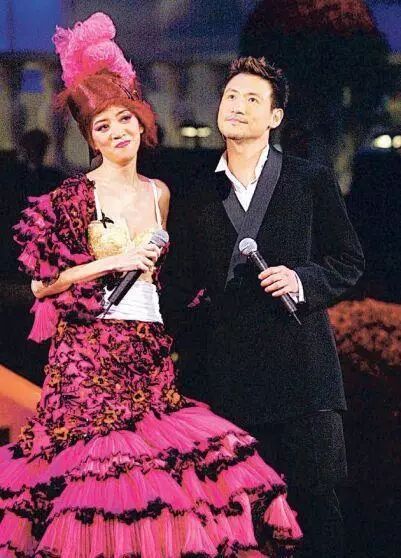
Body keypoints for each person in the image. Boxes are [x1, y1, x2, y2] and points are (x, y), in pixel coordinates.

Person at [0, 15, 301, 557]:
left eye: (125, 119)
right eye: (102, 126)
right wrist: (113, 263)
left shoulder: (159, 192)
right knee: (98, 482)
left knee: (162, 483)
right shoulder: (73, 196)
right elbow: (43, 284)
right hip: (90, 354)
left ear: (142, 122)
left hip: (148, 350)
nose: (117, 132)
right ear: (91, 138)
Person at [161, 57, 365, 558]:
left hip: (304, 379)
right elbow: (178, 290)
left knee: (317, 513)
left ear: (275, 117)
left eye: (252, 99)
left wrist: (301, 279)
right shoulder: (196, 193)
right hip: (229, 383)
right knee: (240, 520)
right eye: (231, 96)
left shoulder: (308, 179)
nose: (237, 105)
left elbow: (348, 260)